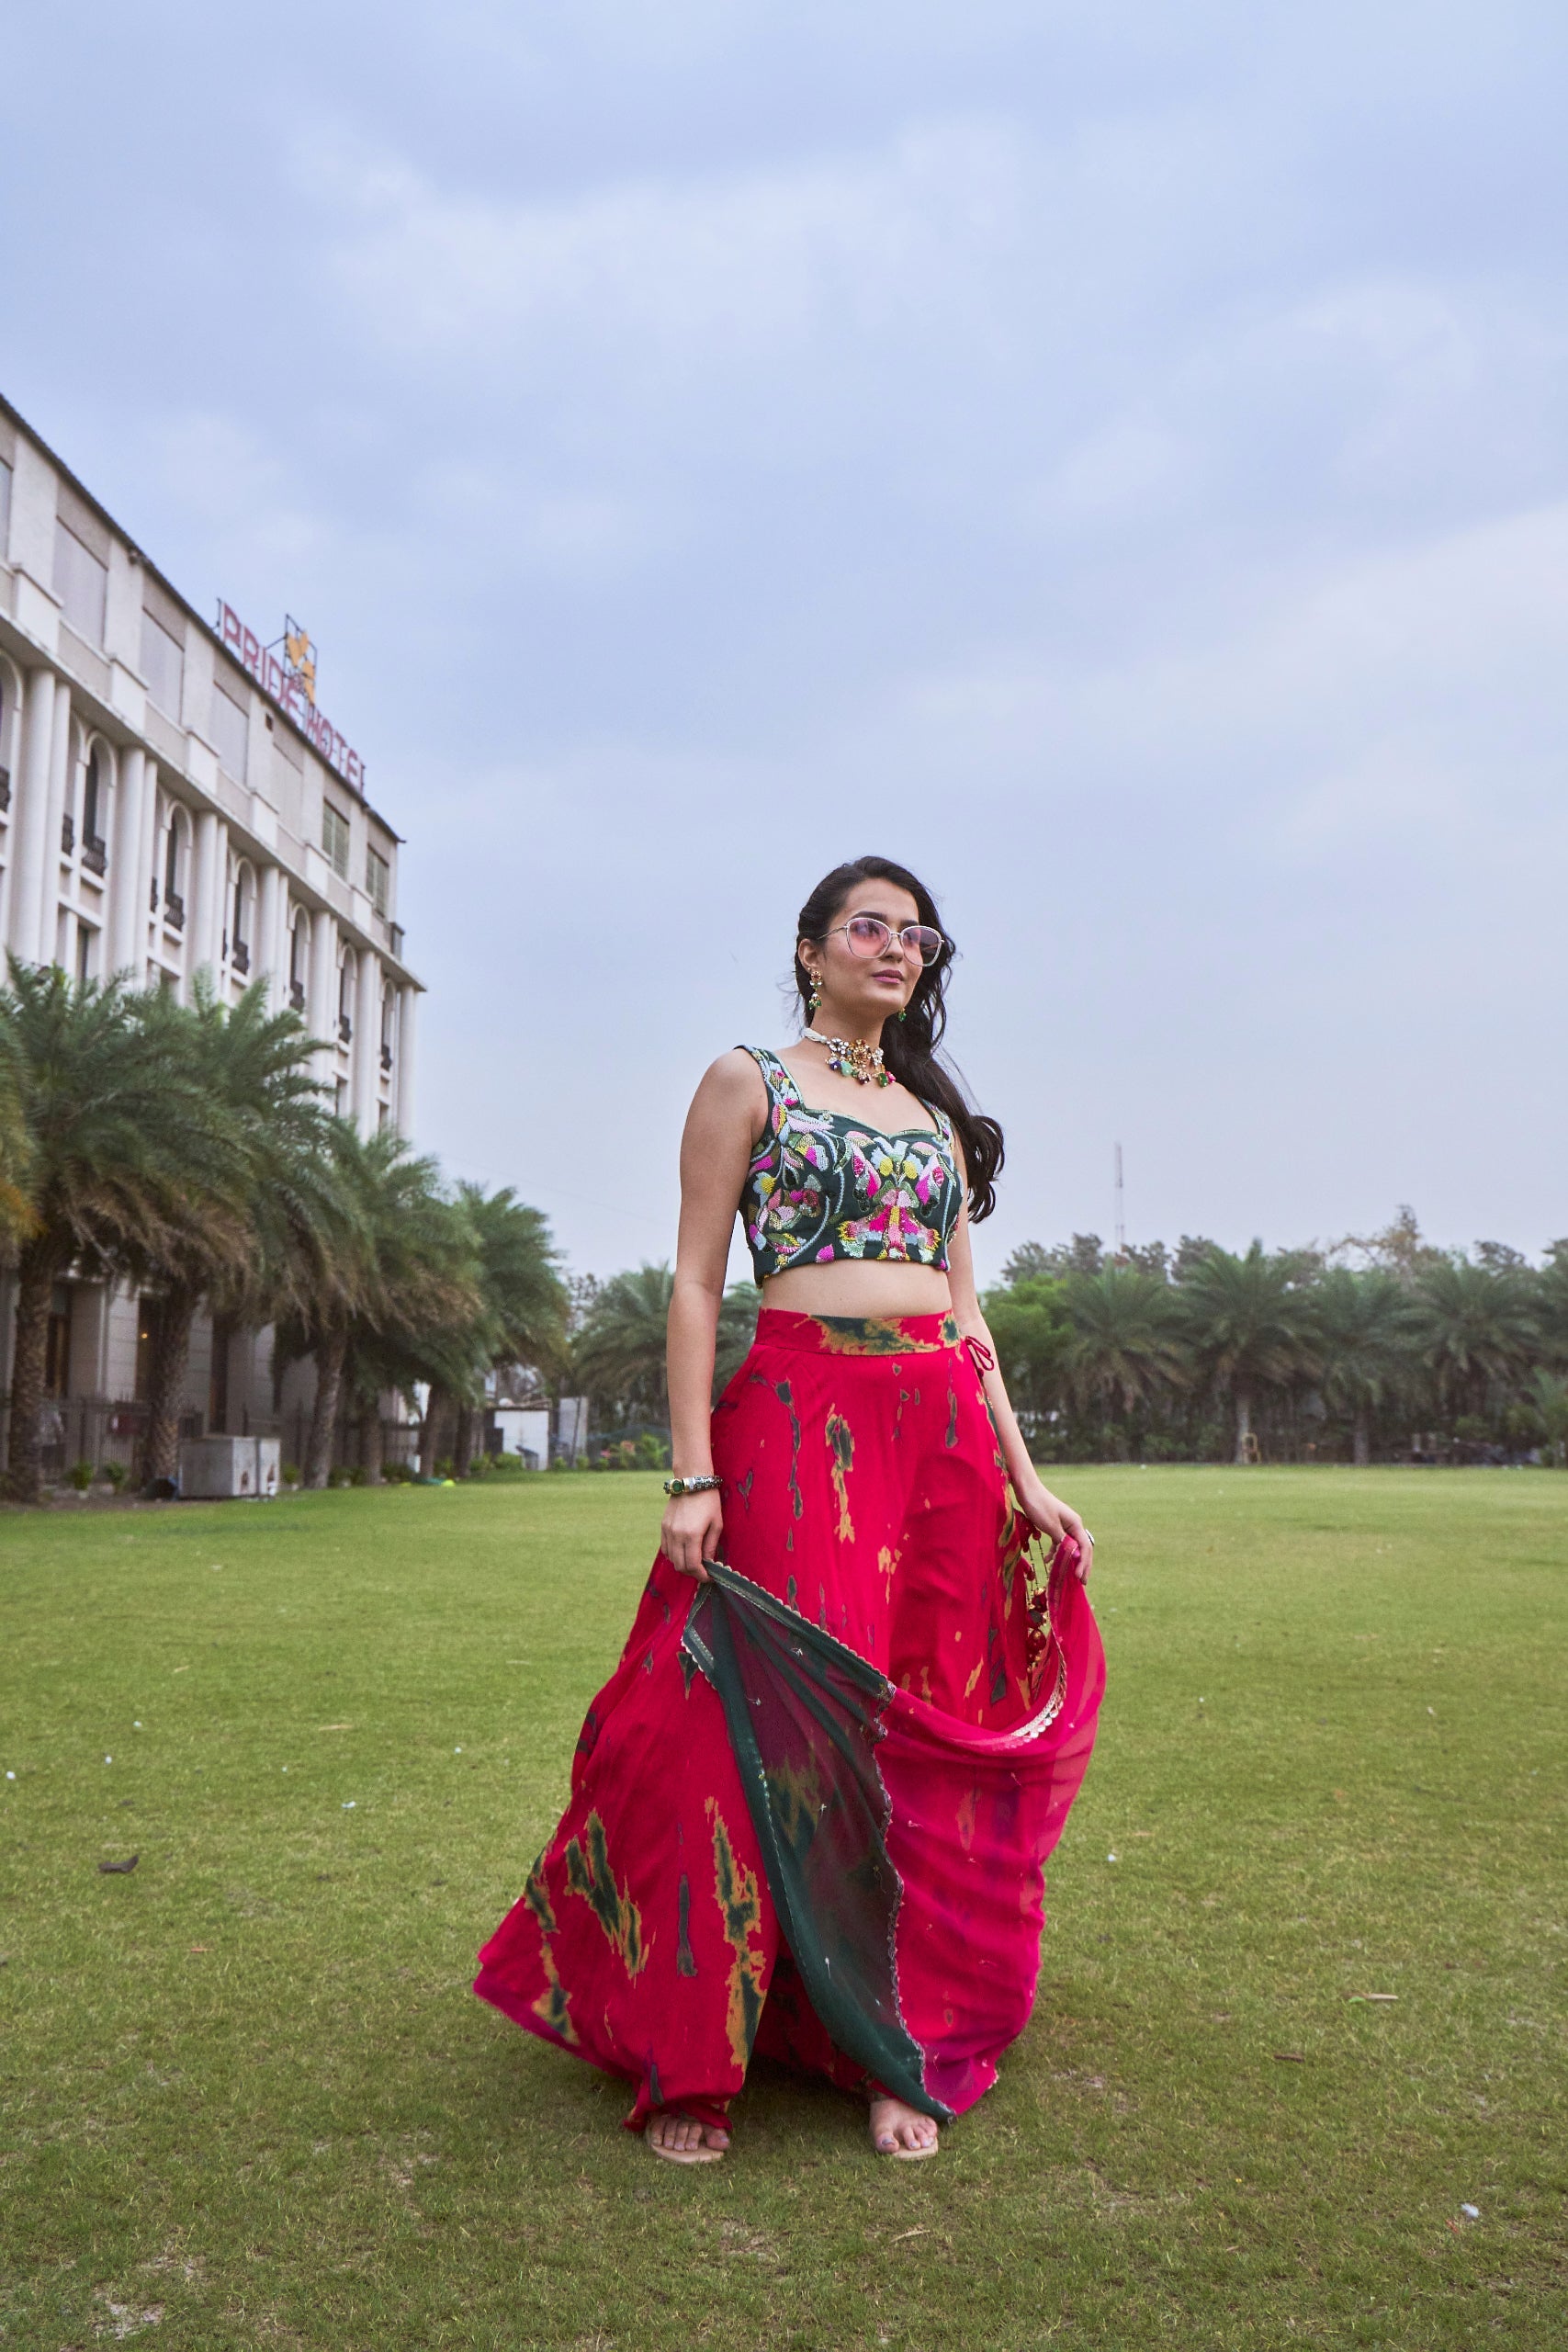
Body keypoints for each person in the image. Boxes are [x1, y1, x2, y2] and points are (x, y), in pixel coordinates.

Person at [475, 855, 1104, 2163]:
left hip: (942, 1443)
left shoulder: (933, 1117)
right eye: (870, 927)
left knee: (914, 1731)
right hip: (801, 1424)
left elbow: (968, 1315)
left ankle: (887, 2045)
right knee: (766, 1723)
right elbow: (698, 1285)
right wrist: (691, 1470)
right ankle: (697, 2048)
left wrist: (1028, 1477)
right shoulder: (747, 1080)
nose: (898, 948)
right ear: (812, 950)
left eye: (917, 935)